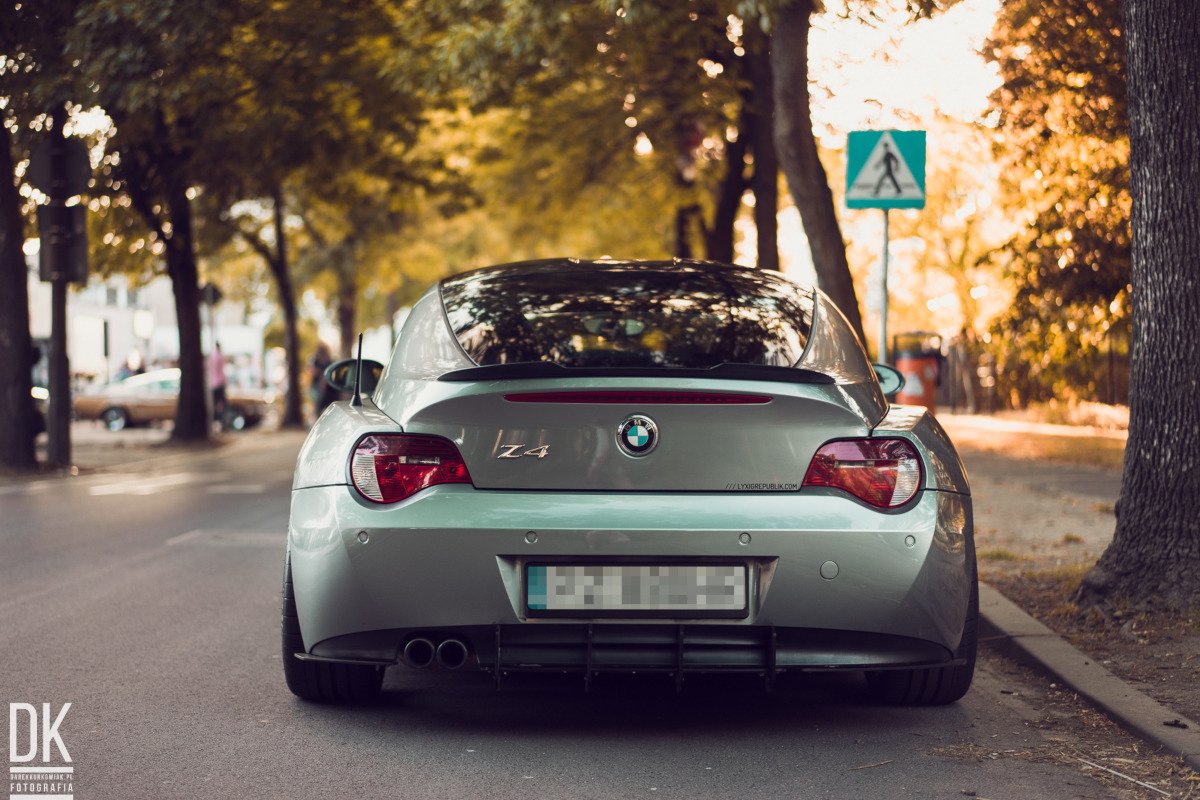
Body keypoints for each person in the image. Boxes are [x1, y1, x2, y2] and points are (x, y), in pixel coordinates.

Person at [308, 342, 338, 419]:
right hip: (319, 389)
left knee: (325, 408)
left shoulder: (329, 361)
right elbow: (311, 370)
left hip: (329, 390)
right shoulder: (316, 360)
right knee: (319, 409)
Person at [209, 342, 228, 428]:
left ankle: (216, 420)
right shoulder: (220, 356)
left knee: (215, 403)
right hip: (219, 383)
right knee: (222, 404)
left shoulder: (213, 356)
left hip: (214, 384)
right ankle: (221, 421)